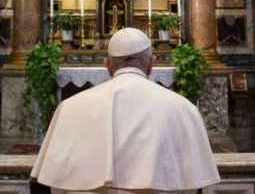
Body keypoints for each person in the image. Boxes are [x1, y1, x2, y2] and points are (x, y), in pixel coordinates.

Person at [31, 27, 220, 193]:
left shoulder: (69, 108)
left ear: (108, 66)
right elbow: (194, 183)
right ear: (151, 64)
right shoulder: (183, 108)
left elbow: (56, 183)